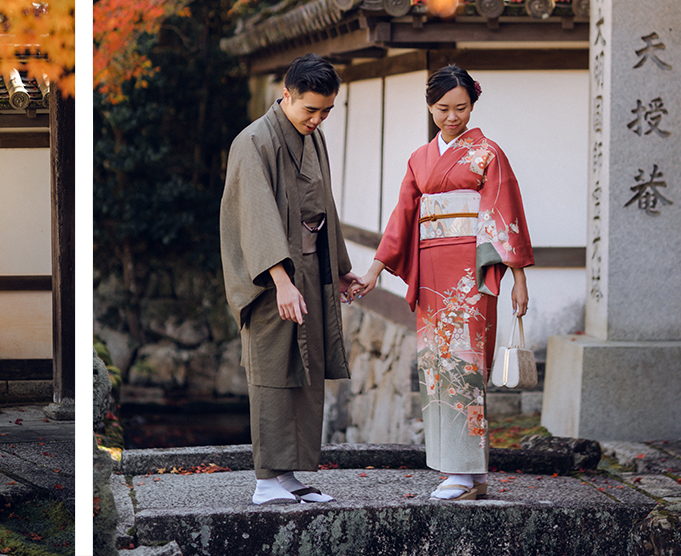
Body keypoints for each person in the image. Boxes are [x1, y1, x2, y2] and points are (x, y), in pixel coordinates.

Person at [351, 65, 533, 500]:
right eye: (443, 108)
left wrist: (518, 279)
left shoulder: (487, 153)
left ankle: (463, 473)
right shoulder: (419, 158)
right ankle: (464, 472)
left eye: (462, 107)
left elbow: (502, 216)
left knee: (465, 366)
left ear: (473, 105)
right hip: (432, 272)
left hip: (471, 274)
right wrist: (375, 270)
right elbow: (403, 218)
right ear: (430, 106)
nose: (453, 117)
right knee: (436, 367)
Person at [220, 53, 361, 505]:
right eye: (310, 109)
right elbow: (255, 218)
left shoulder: (310, 137)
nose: (318, 119)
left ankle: (288, 475)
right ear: (286, 94)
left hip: (307, 269)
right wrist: (280, 280)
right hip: (270, 279)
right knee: (271, 369)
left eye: (326, 111)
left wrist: (338, 268)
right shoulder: (254, 141)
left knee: (306, 369)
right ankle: (265, 479)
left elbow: (324, 204)